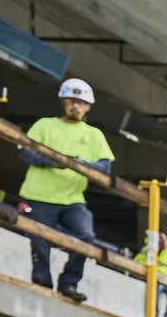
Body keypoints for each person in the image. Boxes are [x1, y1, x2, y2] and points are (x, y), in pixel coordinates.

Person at [19, 78, 114, 303]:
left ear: (88, 107)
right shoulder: (44, 125)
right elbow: (25, 152)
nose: (76, 106)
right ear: (63, 102)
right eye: (72, 101)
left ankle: (69, 282)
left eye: (81, 103)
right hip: (38, 195)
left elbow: (105, 167)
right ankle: (42, 284)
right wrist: (54, 162)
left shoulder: (93, 135)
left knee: (86, 237)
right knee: (39, 240)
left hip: (72, 198)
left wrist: (80, 164)